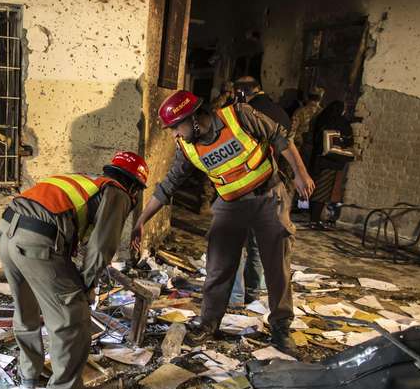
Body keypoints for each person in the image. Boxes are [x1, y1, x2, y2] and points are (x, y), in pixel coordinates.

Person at [131, 90, 314, 354]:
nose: (175, 135)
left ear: (193, 119)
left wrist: (301, 174)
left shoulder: (239, 116)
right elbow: (168, 185)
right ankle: (208, 324)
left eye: (176, 127)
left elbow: (280, 138)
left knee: (277, 266)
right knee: (218, 266)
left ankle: (281, 329)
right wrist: (141, 221)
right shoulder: (187, 147)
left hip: (268, 195)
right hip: (230, 203)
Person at [0, 152, 148, 389]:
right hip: (36, 243)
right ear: (134, 186)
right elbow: (101, 249)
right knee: (72, 318)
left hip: (6, 232)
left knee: (26, 309)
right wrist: (85, 287)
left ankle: (29, 375)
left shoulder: (86, 182)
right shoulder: (118, 192)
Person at [230, 77, 292, 304]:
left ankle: (235, 295)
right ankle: (254, 292)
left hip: (245, 184)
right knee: (258, 243)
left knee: (235, 243)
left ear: (241, 93)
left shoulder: (244, 113)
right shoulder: (281, 113)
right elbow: (288, 146)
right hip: (272, 183)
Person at [308, 100, 353, 229]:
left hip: (317, 159)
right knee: (322, 192)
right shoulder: (340, 122)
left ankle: (313, 218)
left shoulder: (322, 119)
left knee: (316, 189)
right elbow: (348, 140)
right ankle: (315, 221)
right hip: (330, 162)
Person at [289, 86, 325, 170]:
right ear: (320, 98)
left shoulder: (300, 111)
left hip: (299, 145)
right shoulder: (323, 113)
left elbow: (292, 130)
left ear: (308, 97)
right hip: (313, 148)